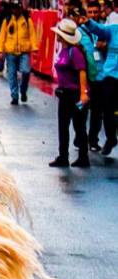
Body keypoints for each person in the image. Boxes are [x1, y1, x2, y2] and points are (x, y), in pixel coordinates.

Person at [52, 17, 92, 167]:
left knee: (79, 126)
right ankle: (63, 156)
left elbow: (82, 71)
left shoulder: (74, 51)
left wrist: (83, 93)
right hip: (64, 93)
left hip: (75, 94)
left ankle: (83, 157)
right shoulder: (64, 49)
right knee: (63, 126)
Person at [81, 2, 116, 154]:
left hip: (105, 74)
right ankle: (110, 138)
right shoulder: (113, 29)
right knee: (106, 109)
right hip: (109, 76)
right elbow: (99, 29)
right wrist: (87, 22)